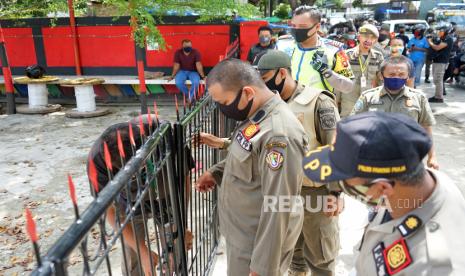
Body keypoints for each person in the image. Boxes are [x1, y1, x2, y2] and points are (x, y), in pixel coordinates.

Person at [301, 111, 465, 275]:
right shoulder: (420, 185)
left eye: (343, 179)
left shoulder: (433, 267)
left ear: (382, 188)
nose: (340, 186)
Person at [195, 59, 307, 276]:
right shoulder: (257, 116)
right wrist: (216, 172)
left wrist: (263, 267)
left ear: (247, 92)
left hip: (258, 245)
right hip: (243, 234)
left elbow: (280, 204)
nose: (221, 109)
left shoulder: (278, 135)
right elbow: (249, 158)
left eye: (223, 102)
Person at [87, 115, 194, 276]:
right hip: (128, 203)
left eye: (143, 165)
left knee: (176, 248)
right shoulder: (97, 162)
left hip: (165, 190)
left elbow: (184, 177)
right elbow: (109, 211)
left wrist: (181, 224)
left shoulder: (164, 133)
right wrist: (142, 251)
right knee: (132, 254)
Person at [351, 55, 439, 170]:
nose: (396, 78)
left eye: (401, 74)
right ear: (382, 76)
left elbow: (426, 128)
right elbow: (353, 126)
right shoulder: (368, 97)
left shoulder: (419, 98)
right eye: (391, 75)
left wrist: (432, 156)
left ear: (408, 76)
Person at [289, 6, 354, 94]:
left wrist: (327, 72)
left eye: (302, 26)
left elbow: (349, 87)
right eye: (293, 26)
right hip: (290, 105)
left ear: (317, 27)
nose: (296, 30)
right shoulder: (286, 46)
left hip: (318, 105)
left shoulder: (334, 50)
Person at [343, 24, 384, 117]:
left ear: (376, 40)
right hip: (349, 98)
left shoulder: (378, 57)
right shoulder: (347, 55)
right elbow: (340, 80)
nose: (368, 40)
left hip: (370, 97)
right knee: (348, 124)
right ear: (359, 37)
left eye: (372, 38)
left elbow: (381, 79)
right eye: (365, 36)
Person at [427, 24, 453, 103]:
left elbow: (437, 47)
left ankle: (439, 97)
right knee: (436, 80)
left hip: (441, 62)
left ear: (446, 31)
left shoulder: (448, 39)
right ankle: (437, 95)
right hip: (436, 61)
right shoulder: (441, 38)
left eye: (441, 31)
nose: (439, 32)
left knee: (438, 79)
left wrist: (430, 42)